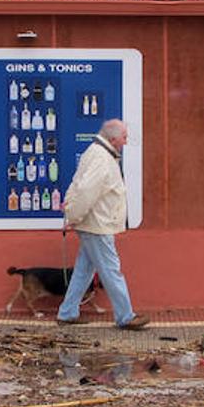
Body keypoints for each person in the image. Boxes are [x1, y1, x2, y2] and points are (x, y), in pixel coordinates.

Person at [57, 118, 149, 330]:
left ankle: (67, 312)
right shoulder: (102, 158)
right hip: (97, 225)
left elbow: (78, 185)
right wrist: (73, 217)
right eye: (124, 137)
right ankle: (126, 316)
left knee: (84, 271)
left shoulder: (96, 152)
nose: (126, 142)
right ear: (114, 138)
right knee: (111, 269)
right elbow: (86, 191)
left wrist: (72, 216)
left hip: (92, 224)